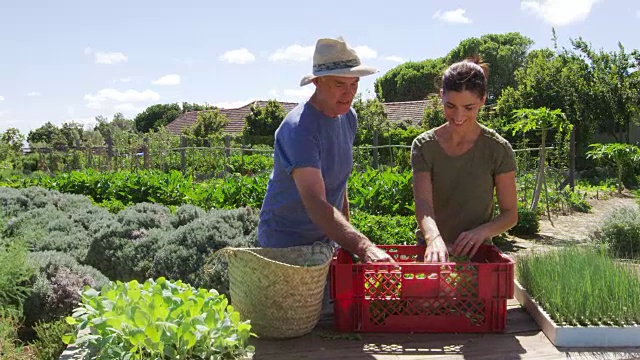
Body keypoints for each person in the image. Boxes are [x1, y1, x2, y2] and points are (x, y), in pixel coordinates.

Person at [257, 36, 394, 265]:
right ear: (317, 82)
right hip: (285, 246)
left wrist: (345, 245)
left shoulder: (348, 117)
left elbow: (339, 186)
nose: (349, 93)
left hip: (323, 240)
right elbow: (315, 202)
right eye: (340, 84)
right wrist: (363, 246)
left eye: (354, 84)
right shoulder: (299, 128)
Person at [410, 56, 518, 263]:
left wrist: (480, 232)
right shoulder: (424, 146)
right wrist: (434, 238)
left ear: (483, 100)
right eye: (450, 106)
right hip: (433, 252)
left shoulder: (498, 149)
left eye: (469, 108)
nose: (458, 116)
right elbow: (423, 205)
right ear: (441, 96)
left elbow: (510, 214)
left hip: (477, 255)